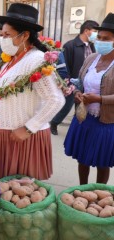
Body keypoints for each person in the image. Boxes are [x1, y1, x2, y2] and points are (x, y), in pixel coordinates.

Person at [0, 3, 65, 180]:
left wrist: (28, 128)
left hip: (20, 137)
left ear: (25, 35)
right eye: (1, 35)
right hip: (0, 133)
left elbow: (56, 100)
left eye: (7, 35)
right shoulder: (9, 59)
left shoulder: (36, 60)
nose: (2, 39)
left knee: (16, 191)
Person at [64, 13, 114, 185]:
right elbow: (79, 80)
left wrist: (99, 99)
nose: (100, 41)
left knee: (102, 162)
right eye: (99, 37)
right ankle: (82, 189)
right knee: (82, 158)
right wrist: (77, 92)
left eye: (106, 38)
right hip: (84, 118)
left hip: (105, 122)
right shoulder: (91, 58)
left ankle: (99, 194)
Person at [50, 20, 99, 135]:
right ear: (86, 31)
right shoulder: (70, 45)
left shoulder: (93, 46)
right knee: (66, 106)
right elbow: (64, 66)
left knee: (81, 107)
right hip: (72, 82)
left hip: (87, 82)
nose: (97, 34)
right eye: (95, 31)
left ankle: (77, 129)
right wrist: (67, 83)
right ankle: (54, 123)